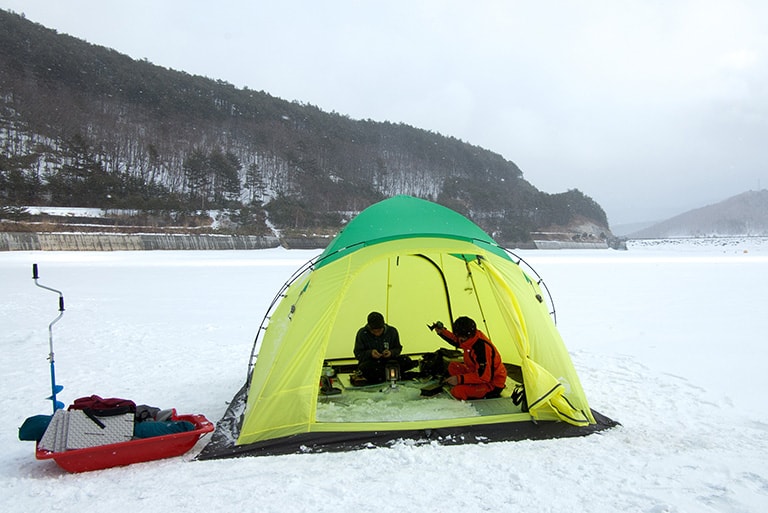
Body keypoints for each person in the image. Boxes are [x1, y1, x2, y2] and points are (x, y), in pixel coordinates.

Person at [430, 316, 507, 400]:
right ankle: (470, 386)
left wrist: (459, 379)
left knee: (457, 391)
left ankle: (472, 391)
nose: (459, 339)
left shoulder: (482, 348)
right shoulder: (469, 338)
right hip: (475, 371)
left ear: (467, 334)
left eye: (460, 336)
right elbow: (455, 340)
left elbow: (484, 377)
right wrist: (442, 332)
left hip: (492, 383)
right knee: (453, 366)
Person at [354, 311, 416, 384]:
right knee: (366, 368)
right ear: (369, 328)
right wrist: (370, 353)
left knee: (406, 360)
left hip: (389, 361)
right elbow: (358, 353)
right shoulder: (362, 333)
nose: (377, 333)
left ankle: (383, 376)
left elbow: (398, 348)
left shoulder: (392, 331)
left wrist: (391, 353)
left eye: (379, 330)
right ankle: (390, 375)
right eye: (374, 331)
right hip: (372, 363)